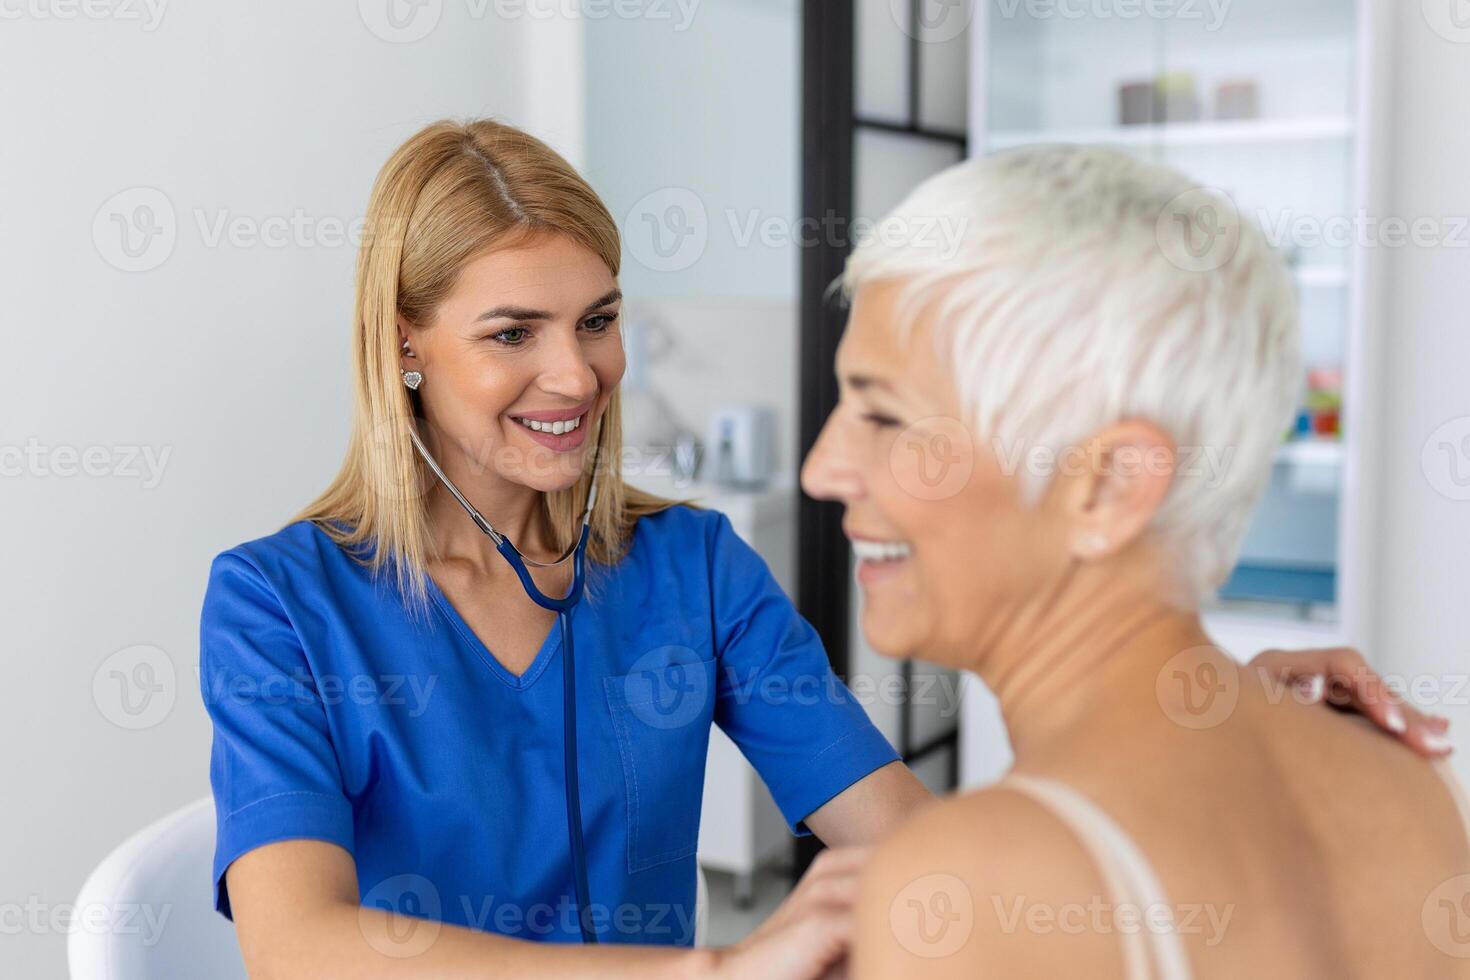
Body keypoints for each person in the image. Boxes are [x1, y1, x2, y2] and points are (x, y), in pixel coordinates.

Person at [202, 120, 1437, 979]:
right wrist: (718, 966)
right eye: (511, 333)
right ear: (406, 346)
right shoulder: (280, 600)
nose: (573, 374)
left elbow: (907, 836)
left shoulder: (689, 567)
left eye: (599, 320)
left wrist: (1188, 740)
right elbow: (297, 947)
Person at [796, 144, 1464, 979]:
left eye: (884, 417)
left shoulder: (969, 891)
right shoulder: (1407, 786)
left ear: (1109, 485)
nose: (821, 468)